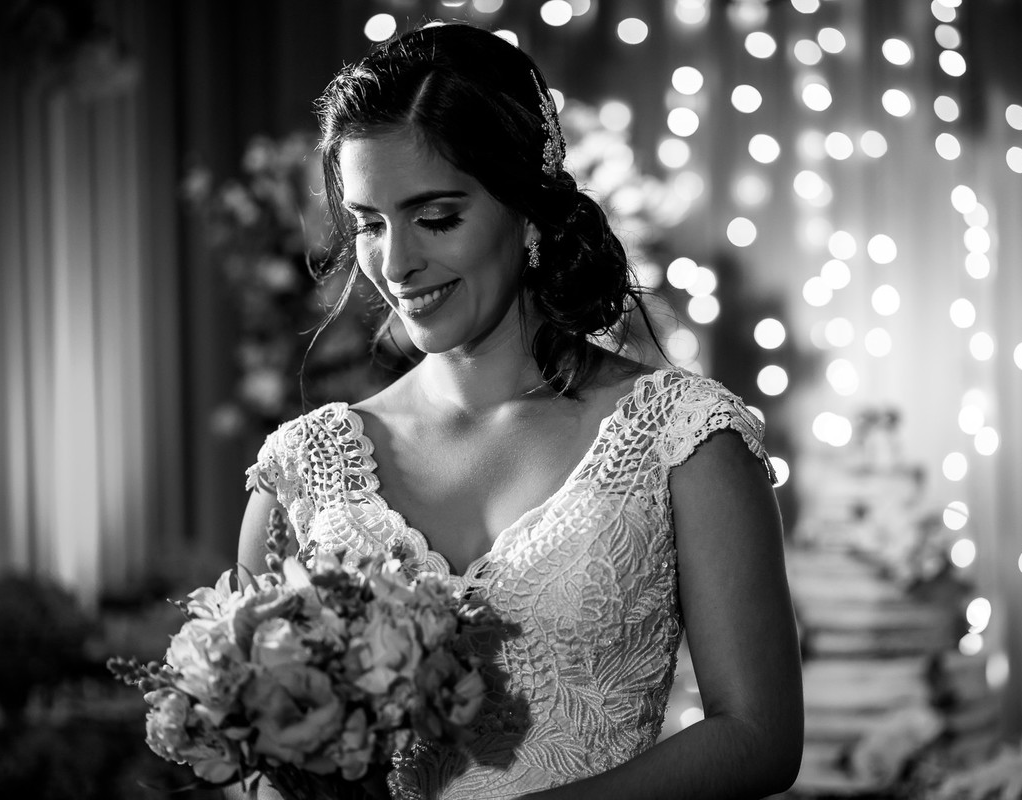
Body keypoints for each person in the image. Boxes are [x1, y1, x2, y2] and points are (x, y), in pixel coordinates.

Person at [236, 22, 802, 800]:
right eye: (369, 223)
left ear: (527, 211)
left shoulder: (685, 438)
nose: (396, 263)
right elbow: (254, 760)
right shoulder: (304, 469)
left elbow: (759, 737)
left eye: (435, 218)